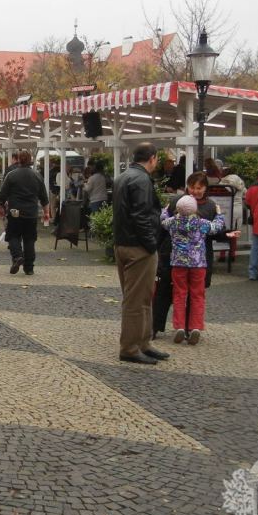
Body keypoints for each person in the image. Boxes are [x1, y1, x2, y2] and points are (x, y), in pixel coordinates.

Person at [152, 172, 238, 337]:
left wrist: (228, 235)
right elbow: (162, 230)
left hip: (189, 258)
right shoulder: (177, 202)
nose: (195, 191)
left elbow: (164, 222)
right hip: (177, 256)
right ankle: (155, 327)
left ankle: (188, 328)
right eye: (192, 187)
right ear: (187, 186)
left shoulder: (210, 206)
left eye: (199, 188)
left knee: (189, 294)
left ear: (205, 188)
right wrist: (158, 251)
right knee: (165, 293)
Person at [112, 142, 170, 365]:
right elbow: (142, 216)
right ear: (153, 158)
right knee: (137, 300)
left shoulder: (122, 177)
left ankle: (143, 342)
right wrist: (151, 244)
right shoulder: (142, 180)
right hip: (139, 247)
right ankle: (130, 346)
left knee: (142, 297)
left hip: (123, 243)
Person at [161, 194, 224, 346]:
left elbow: (162, 221)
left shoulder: (173, 222)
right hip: (198, 264)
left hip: (178, 264)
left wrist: (165, 209)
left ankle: (179, 326)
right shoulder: (201, 223)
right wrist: (219, 214)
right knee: (197, 295)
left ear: (178, 209)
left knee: (179, 295)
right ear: (195, 208)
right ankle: (195, 326)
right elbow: (216, 227)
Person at [0, 149, 50, 276]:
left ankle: (17, 257)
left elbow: (3, 193)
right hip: (31, 212)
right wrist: (46, 212)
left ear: (19, 159)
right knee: (30, 239)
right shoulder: (37, 176)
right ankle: (29, 267)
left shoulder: (12, 175)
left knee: (13, 235)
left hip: (15, 210)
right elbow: (44, 196)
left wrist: (0, 206)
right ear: (30, 159)